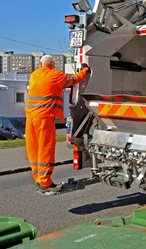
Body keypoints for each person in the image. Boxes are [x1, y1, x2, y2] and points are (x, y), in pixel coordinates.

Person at [25, 55, 91, 195]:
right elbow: (75, 79)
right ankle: (45, 182)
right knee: (45, 149)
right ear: (53, 64)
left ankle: (38, 179)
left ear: (40, 64)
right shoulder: (54, 75)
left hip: (30, 118)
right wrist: (85, 70)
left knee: (34, 150)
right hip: (44, 118)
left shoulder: (34, 75)